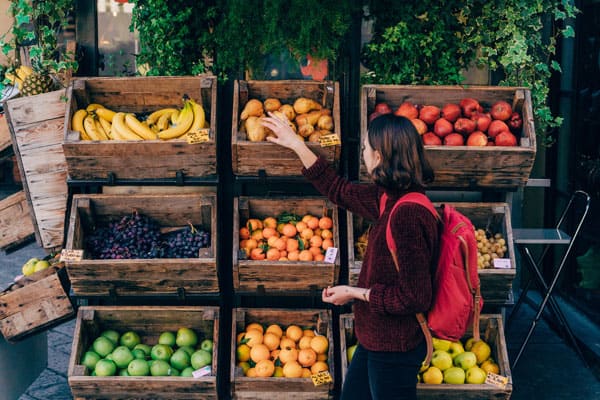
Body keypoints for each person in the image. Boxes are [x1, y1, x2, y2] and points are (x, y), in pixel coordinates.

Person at [261, 112, 439, 400]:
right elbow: (339, 190)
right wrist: (296, 144)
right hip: (375, 338)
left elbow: (415, 297)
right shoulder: (388, 198)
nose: (363, 155)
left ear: (379, 156)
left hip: (395, 347)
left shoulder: (408, 214)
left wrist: (356, 293)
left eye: (366, 149)